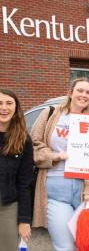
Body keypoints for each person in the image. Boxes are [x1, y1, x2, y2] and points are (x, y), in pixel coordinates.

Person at [31, 78, 89, 251]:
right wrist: (54, 156)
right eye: (80, 90)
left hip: (84, 190)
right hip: (56, 188)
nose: (83, 95)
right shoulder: (51, 113)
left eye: (87, 92)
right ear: (71, 93)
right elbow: (33, 145)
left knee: (87, 245)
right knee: (65, 246)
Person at [0, 88, 33, 250]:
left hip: (7, 206)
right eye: (0, 103)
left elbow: (24, 184)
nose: (4, 108)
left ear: (16, 107)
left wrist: (24, 220)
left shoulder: (24, 140)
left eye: (8, 103)